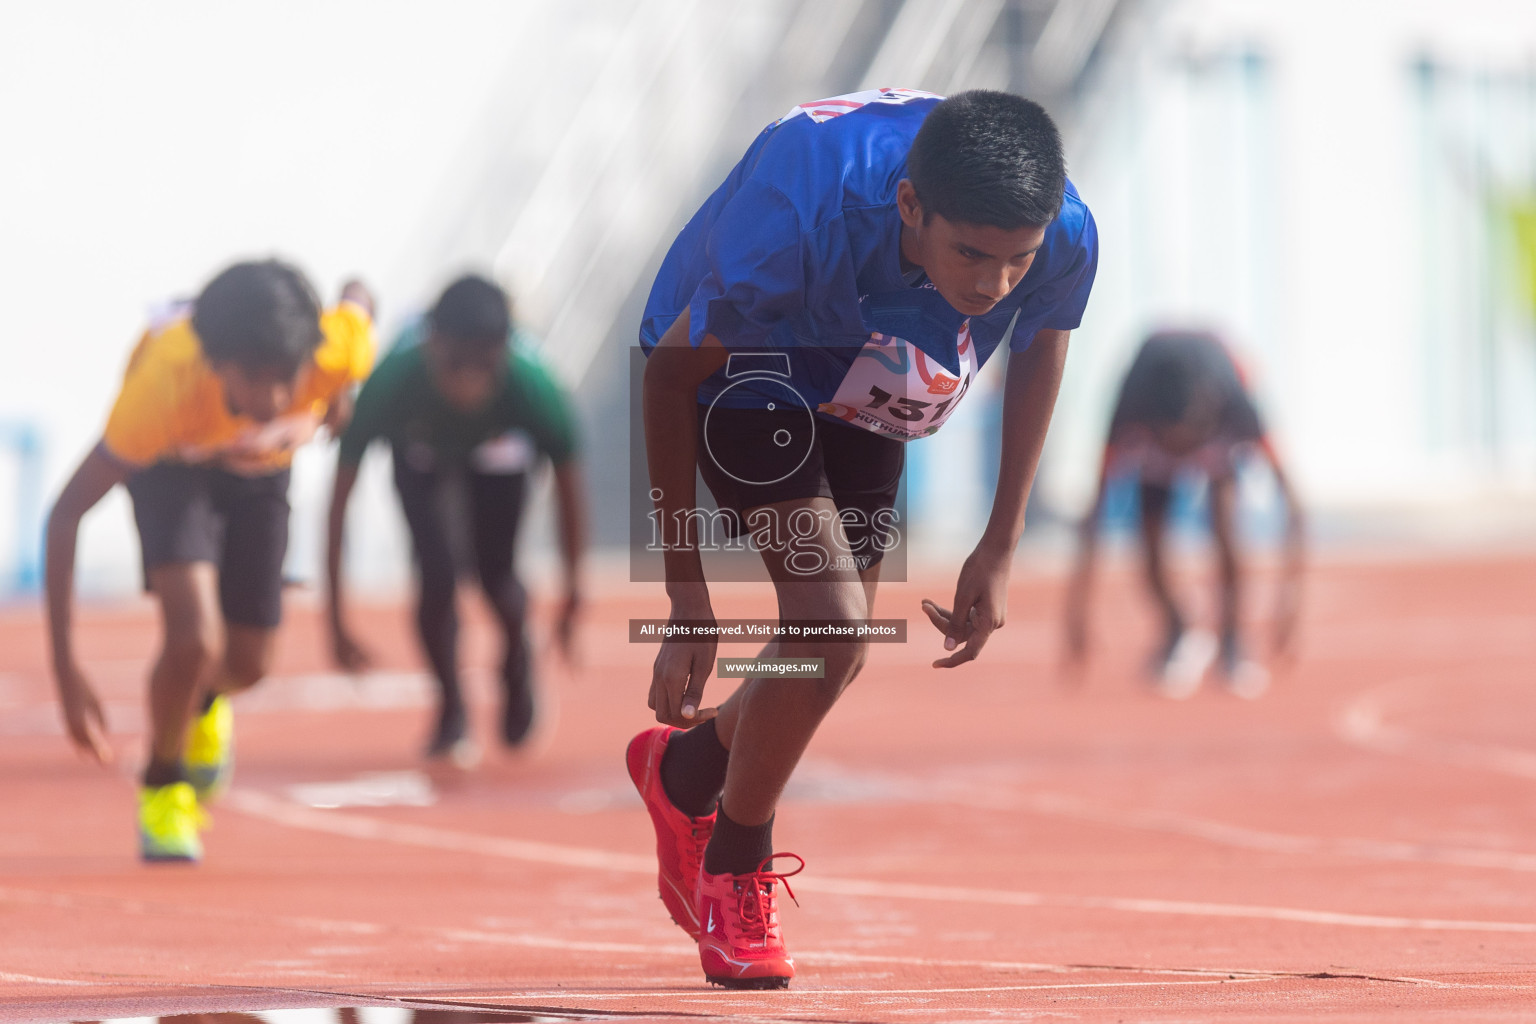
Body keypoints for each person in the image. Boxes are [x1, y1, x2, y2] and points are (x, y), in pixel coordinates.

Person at [626, 88, 1098, 988]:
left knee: (831, 655)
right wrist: (688, 598)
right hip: (749, 361)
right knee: (835, 622)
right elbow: (668, 379)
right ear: (911, 207)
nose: (995, 285)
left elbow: (1042, 345)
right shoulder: (797, 219)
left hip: (876, 364)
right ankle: (735, 866)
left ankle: (687, 771)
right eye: (971, 255)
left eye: (1016, 262)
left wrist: (1000, 542)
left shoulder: (1064, 231)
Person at [46, 259, 375, 862]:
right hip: (175, 467)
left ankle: (201, 702)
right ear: (216, 361)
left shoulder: (334, 352)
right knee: (193, 637)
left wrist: (343, 391)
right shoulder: (161, 389)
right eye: (254, 379)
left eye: (288, 378)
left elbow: (359, 293)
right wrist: (67, 673)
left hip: (260, 473)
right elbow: (65, 515)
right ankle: (164, 786)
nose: (275, 398)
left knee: (250, 663)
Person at [327, 274, 584, 764]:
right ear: (431, 345)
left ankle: (516, 660)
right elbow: (340, 499)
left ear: (504, 353)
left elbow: (571, 489)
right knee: (436, 576)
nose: (467, 384)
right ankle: (451, 705)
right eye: (454, 366)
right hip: (421, 449)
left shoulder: (534, 386)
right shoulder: (394, 381)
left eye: (482, 366)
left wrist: (574, 596)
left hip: (498, 450)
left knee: (497, 577)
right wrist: (335, 621)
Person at [1063, 328, 1305, 699]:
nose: (1183, 461)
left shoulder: (1237, 408)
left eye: (1188, 445)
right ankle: (1178, 629)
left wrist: (1290, 605)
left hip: (1218, 388)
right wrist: (1077, 614)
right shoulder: (1131, 409)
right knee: (1148, 534)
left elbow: (1293, 502)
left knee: (1226, 525)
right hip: (1150, 392)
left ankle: (1233, 642)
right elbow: (1094, 509)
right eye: (1172, 447)